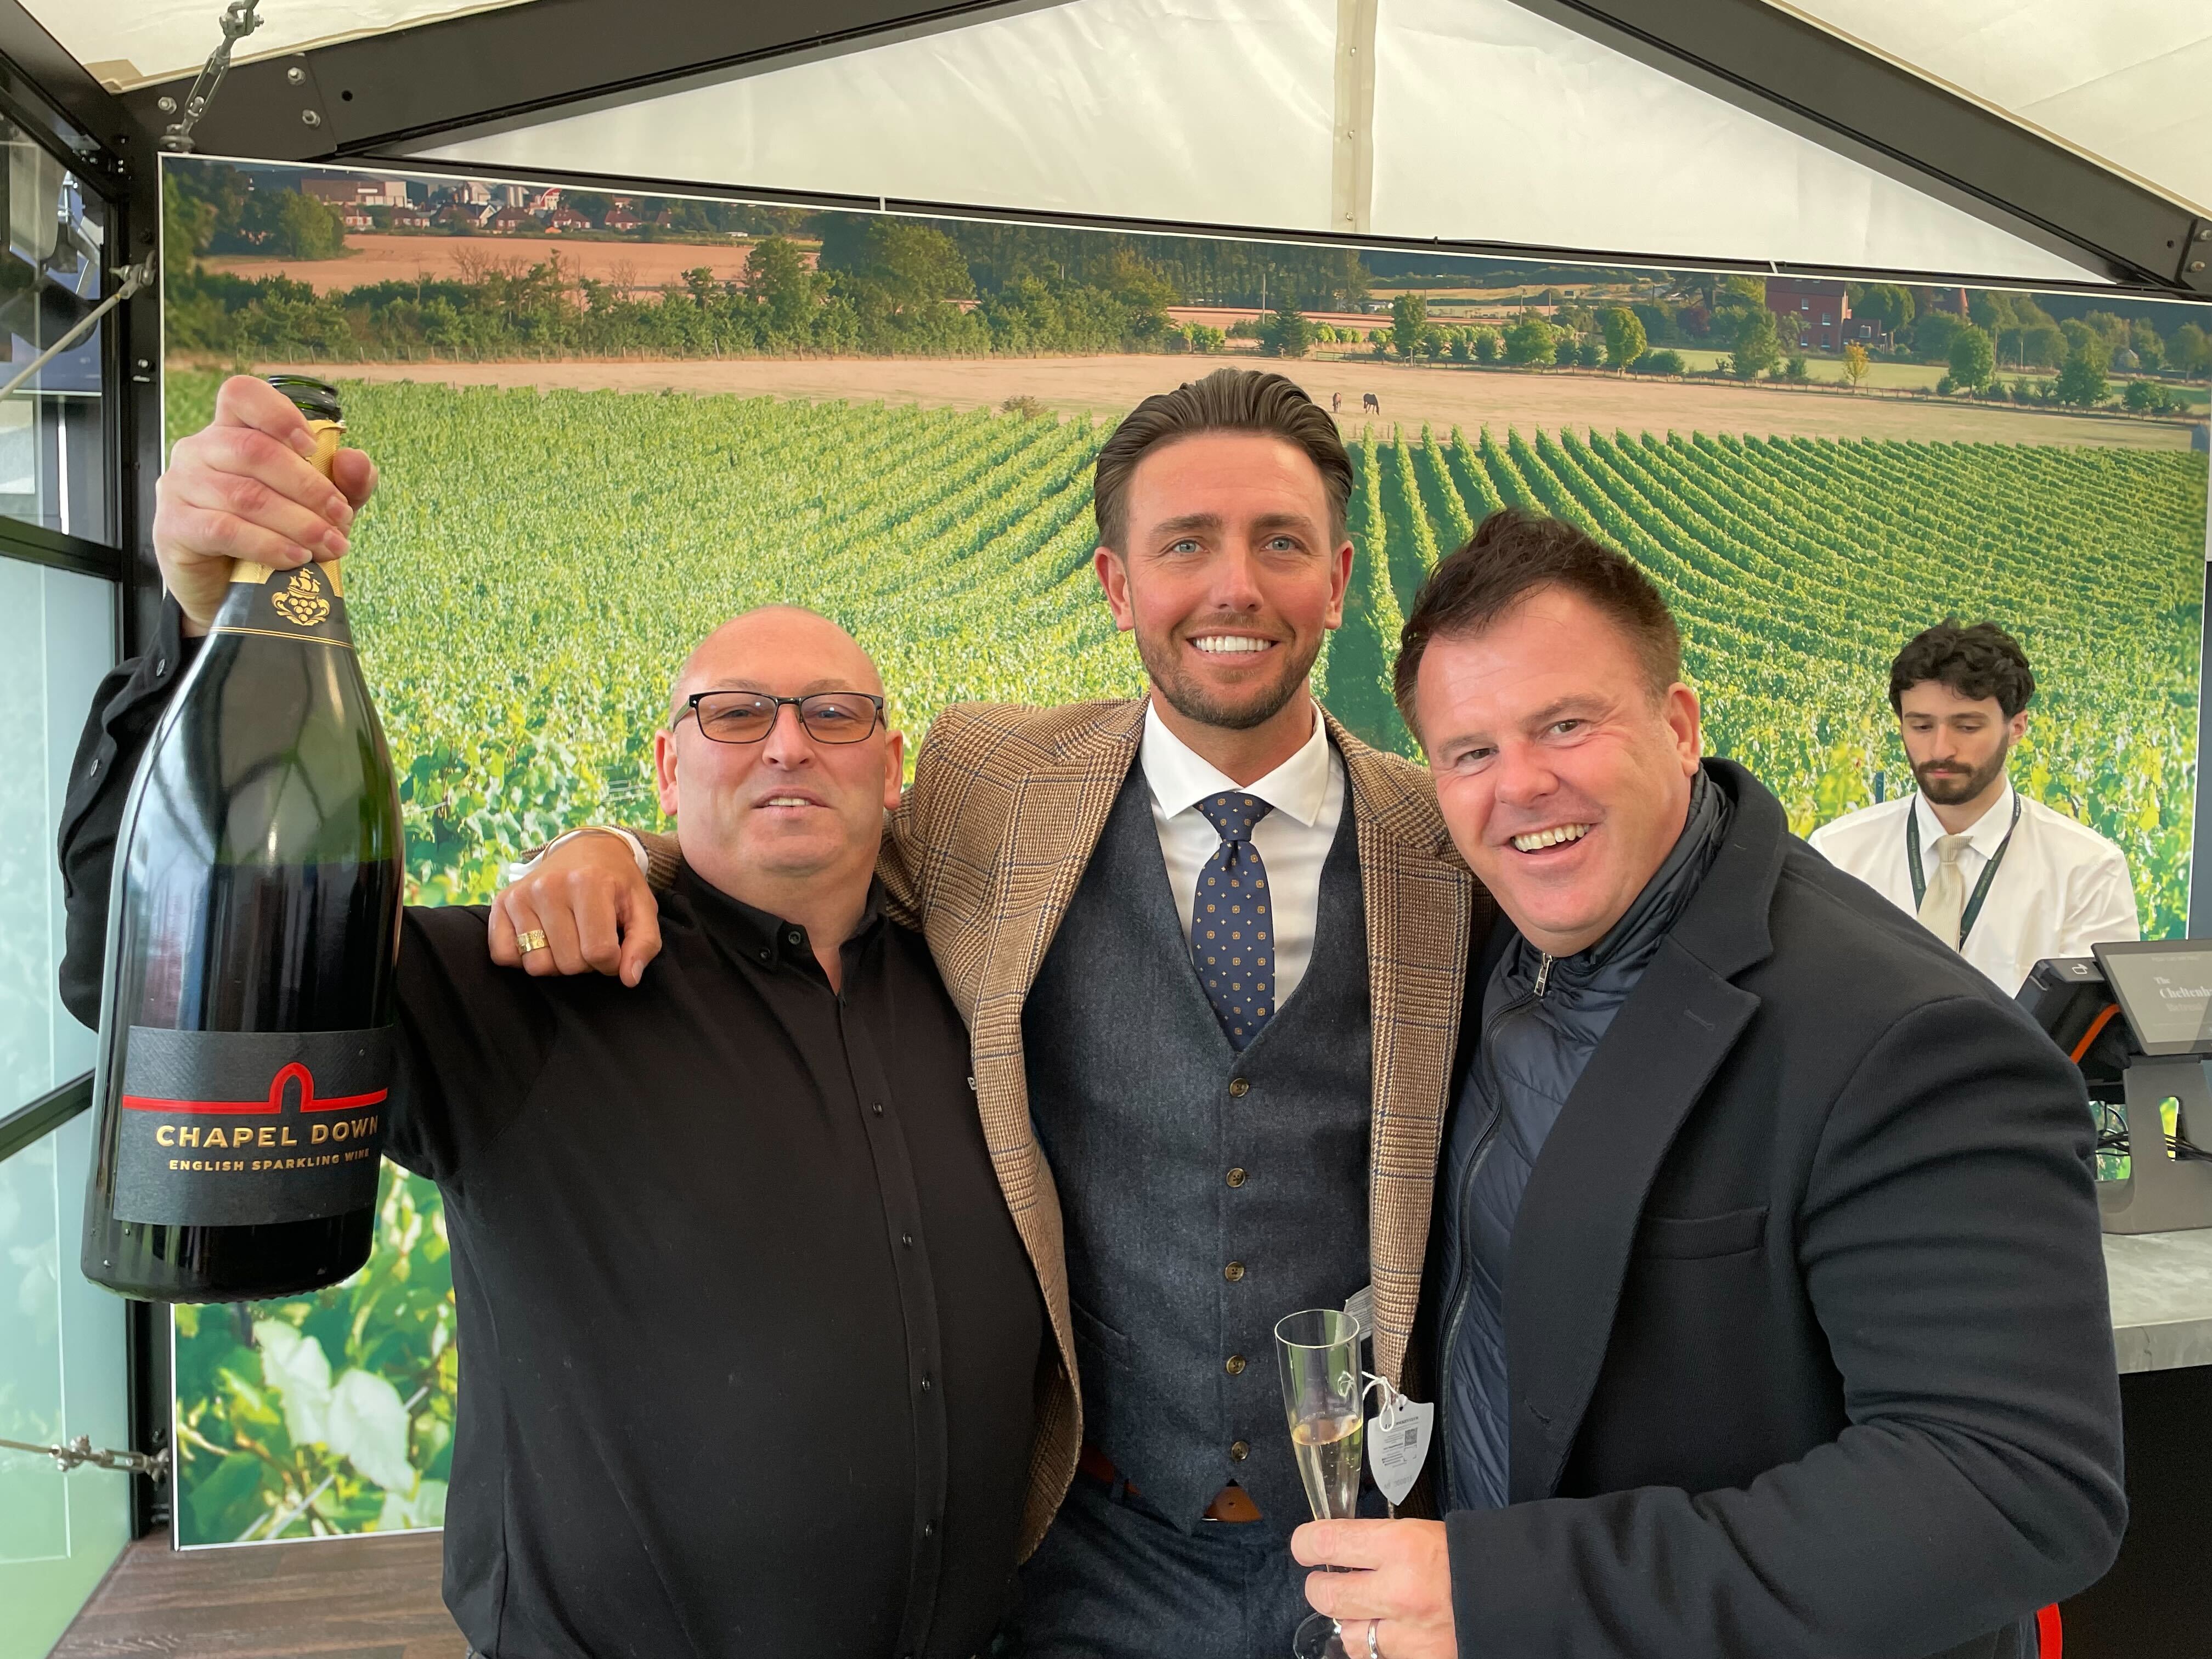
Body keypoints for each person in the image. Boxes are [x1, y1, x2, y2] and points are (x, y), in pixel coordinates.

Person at [505, 368, 1496, 1658]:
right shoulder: (995, 790)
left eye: (1280, 543)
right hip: (1095, 1549)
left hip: (1371, 1547)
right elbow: (805, 835)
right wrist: (617, 847)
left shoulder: (1443, 842)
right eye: (1184, 544)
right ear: (1117, 585)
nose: (1234, 586)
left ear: (1341, 579)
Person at [58, 377, 1051, 1659]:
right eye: (734, 715)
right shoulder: (524, 985)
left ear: (895, 765)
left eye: (835, 715)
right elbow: (156, 965)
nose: (788, 746)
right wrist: (204, 631)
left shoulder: (984, 980)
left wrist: (616, 847)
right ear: (665, 765)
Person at [1290, 512, 2125, 1659]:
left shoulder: (1912, 1039)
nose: (1519, 785)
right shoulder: (1498, 943)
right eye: (1469, 752)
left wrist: (1507, 1594)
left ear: (1679, 726)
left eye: (1565, 725)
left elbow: (2010, 1485)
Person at [1809, 619, 2139, 995]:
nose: (1941, 750)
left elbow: (2091, 1031)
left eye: (1966, 727)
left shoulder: (2088, 869)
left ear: (2016, 728)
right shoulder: (1836, 854)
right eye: (1921, 727)